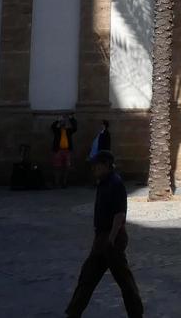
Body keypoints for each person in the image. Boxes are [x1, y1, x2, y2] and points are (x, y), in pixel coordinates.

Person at [65, 151, 144, 318]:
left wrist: (111, 238)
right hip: (102, 238)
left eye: (97, 165)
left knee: (124, 280)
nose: (94, 168)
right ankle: (73, 312)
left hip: (112, 239)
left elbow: (119, 215)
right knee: (88, 276)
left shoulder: (115, 183)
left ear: (107, 165)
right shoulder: (103, 183)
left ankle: (136, 314)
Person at [49, 112, 78, 188]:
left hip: (67, 151)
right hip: (58, 150)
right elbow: (52, 127)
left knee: (67, 167)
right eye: (62, 122)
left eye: (64, 122)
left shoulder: (68, 131)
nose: (63, 124)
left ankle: (64, 183)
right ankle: (57, 183)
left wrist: (71, 119)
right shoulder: (57, 131)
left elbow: (75, 128)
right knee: (57, 167)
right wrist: (58, 120)